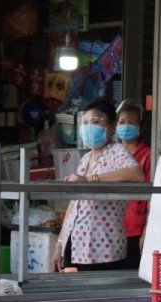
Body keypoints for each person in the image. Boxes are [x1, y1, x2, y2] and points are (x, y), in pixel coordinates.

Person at [54, 99, 145, 272]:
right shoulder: (85, 158)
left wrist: (91, 179)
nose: (89, 127)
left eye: (96, 122)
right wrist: (60, 242)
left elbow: (136, 174)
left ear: (111, 128)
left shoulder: (117, 151)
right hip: (75, 244)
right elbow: (74, 205)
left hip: (103, 247)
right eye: (86, 122)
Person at [116, 102, 151, 270]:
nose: (126, 126)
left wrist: (147, 231)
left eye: (132, 122)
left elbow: (153, 197)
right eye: (121, 122)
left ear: (141, 127)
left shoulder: (148, 156)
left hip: (135, 230)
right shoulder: (111, 154)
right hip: (110, 229)